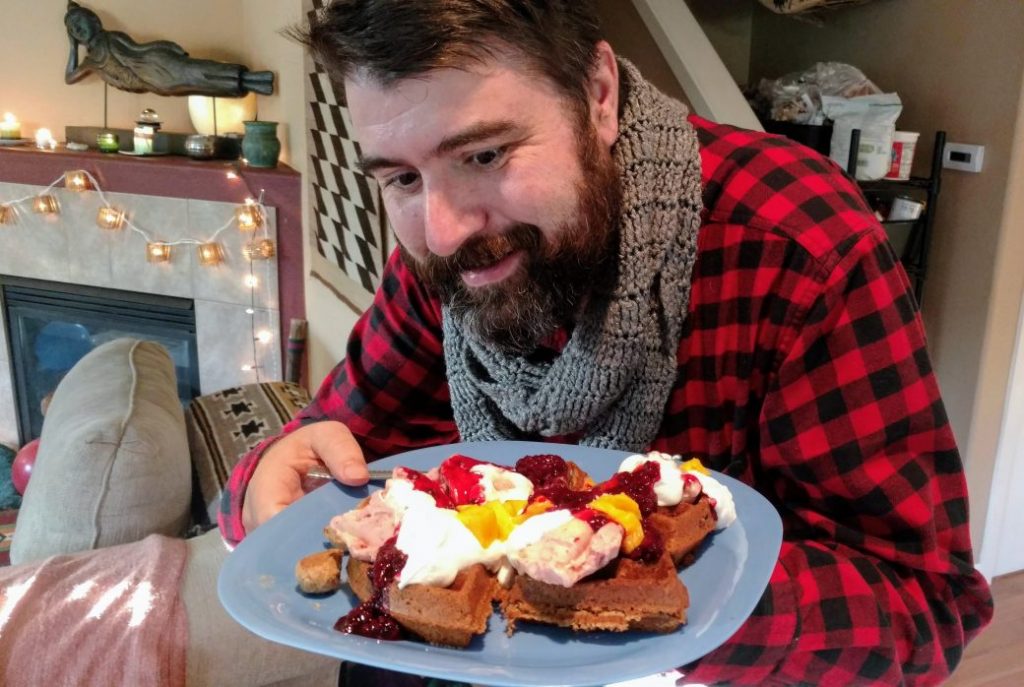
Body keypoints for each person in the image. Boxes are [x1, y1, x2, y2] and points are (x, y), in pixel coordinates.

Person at [221, 1, 993, 684]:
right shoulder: (443, 256)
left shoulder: (801, 248)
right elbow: (322, 451)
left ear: (597, 95)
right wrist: (263, 481)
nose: (444, 228)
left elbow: (924, 612)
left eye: (485, 155)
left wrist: (657, 595)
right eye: (401, 179)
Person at [64, 1, 274, 97]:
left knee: (195, 72)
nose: (77, 29)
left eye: (79, 22)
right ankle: (246, 86)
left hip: (154, 65)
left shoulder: (109, 38)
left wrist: (165, 46)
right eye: (73, 29)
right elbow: (70, 77)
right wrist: (73, 47)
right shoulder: (90, 62)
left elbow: (138, 48)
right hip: (149, 83)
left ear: (94, 20)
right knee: (195, 88)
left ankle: (252, 78)